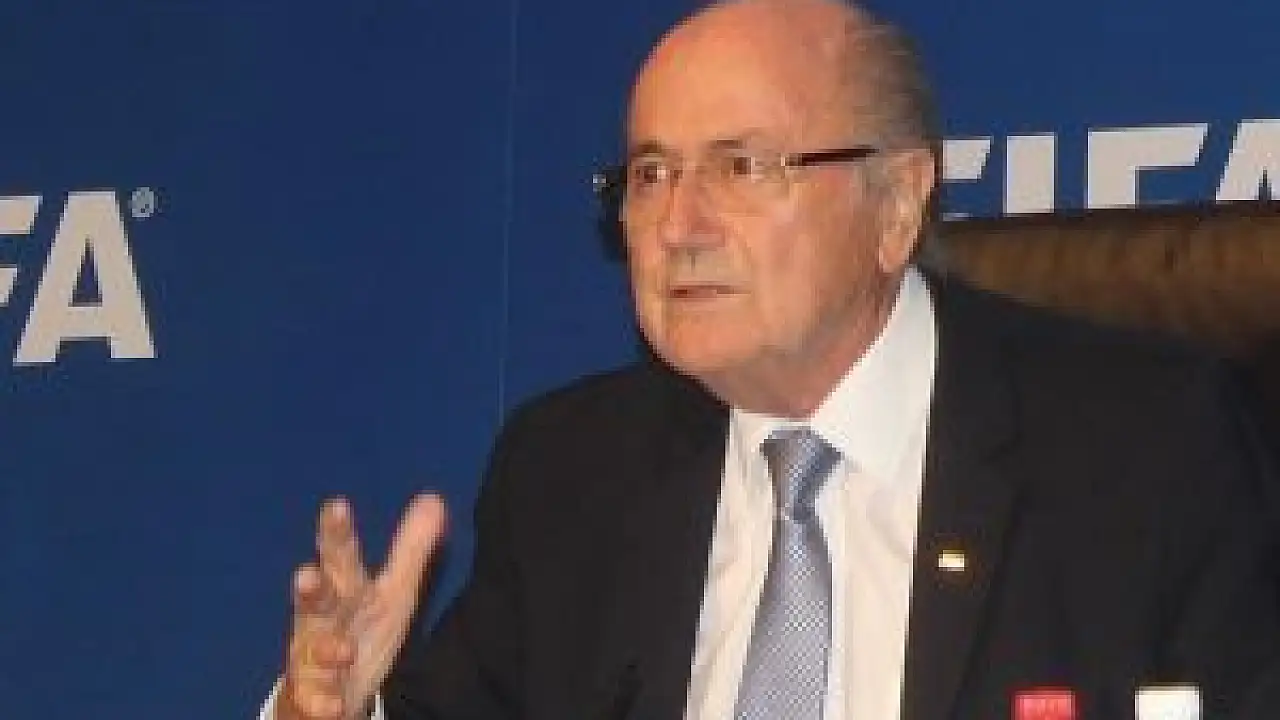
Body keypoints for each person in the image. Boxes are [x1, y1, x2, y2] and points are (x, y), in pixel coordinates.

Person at [263, 0, 1280, 718]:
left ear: (895, 204)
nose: (678, 225)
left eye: (740, 167)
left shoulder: (1140, 452)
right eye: (650, 174)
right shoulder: (572, 475)